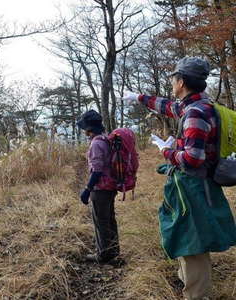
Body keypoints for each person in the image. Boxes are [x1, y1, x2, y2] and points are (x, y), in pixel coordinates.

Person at [123, 57, 236, 300]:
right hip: (193, 185)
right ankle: (190, 285)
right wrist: (140, 98)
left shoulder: (195, 113)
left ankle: (197, 295)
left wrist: (167, 151)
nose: (172, 84)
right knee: (187, 238)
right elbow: (169, 107)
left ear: (181, 81)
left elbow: (192, 159)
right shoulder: (198, 105)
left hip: (194, 186)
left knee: (193, 243)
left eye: (174, 79)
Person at [77, 110, 120, 264]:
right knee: (109, 219)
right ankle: (114, 251)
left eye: (85, 128)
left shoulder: (96, 143)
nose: (84, 131)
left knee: (100, 222)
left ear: (89, 129)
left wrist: (87, 190)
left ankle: (102, 255)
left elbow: (97, 171)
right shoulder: (106, 139)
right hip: (111, 186)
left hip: (100, 189)